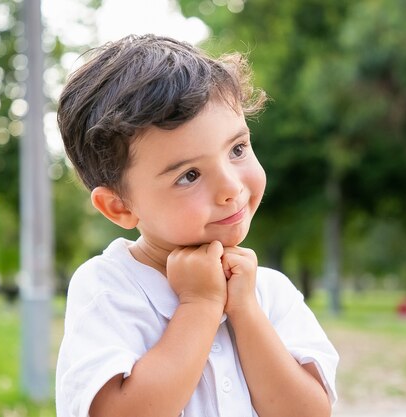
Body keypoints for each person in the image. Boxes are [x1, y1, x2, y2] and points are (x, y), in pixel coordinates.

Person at [55, 34, 339, 417]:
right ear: (119, 206)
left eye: (237, 149)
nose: (231, 187)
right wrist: (200, 305)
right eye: (189, 175)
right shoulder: (108, 289)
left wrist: (245, 310)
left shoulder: (270, 293)